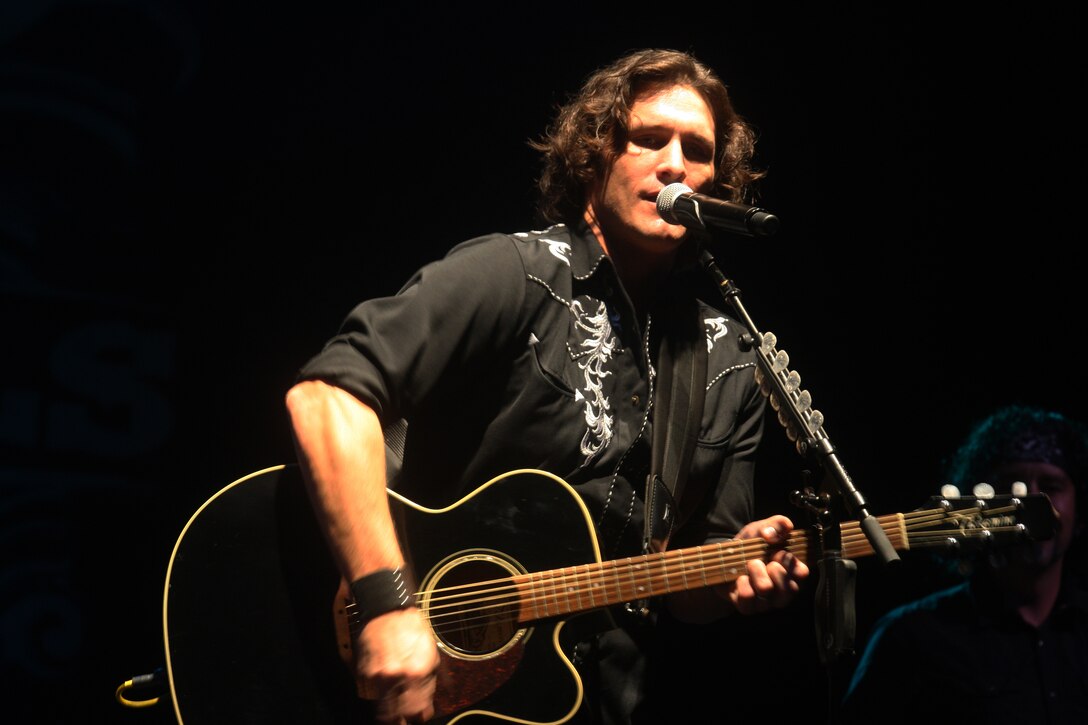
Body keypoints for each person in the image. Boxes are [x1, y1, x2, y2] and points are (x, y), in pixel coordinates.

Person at [285, 47, 810, 725]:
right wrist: (388, 604)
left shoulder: (733, 355)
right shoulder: (515, 274)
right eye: (649, 138)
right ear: (596, 155)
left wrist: (740, 572)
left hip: (590, 700)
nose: (676, 164)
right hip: (415, 683)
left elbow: (689, 593)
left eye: (698, 150)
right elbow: (327, 397)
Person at [839, 404, 1088, 724]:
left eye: (1051, 487)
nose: (1033, 504)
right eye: (1014, 486)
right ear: (981, 502)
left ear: (1081, 507)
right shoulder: (910, 637)